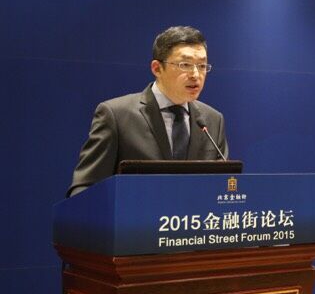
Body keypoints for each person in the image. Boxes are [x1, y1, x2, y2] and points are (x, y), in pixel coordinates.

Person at [68, 26, 228, 196]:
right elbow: (84, 189)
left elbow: (221, 188)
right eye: (185, 65)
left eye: (202, 66)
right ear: (157, 68)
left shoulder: (213, 120)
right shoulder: (116, 116)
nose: (195, 74)